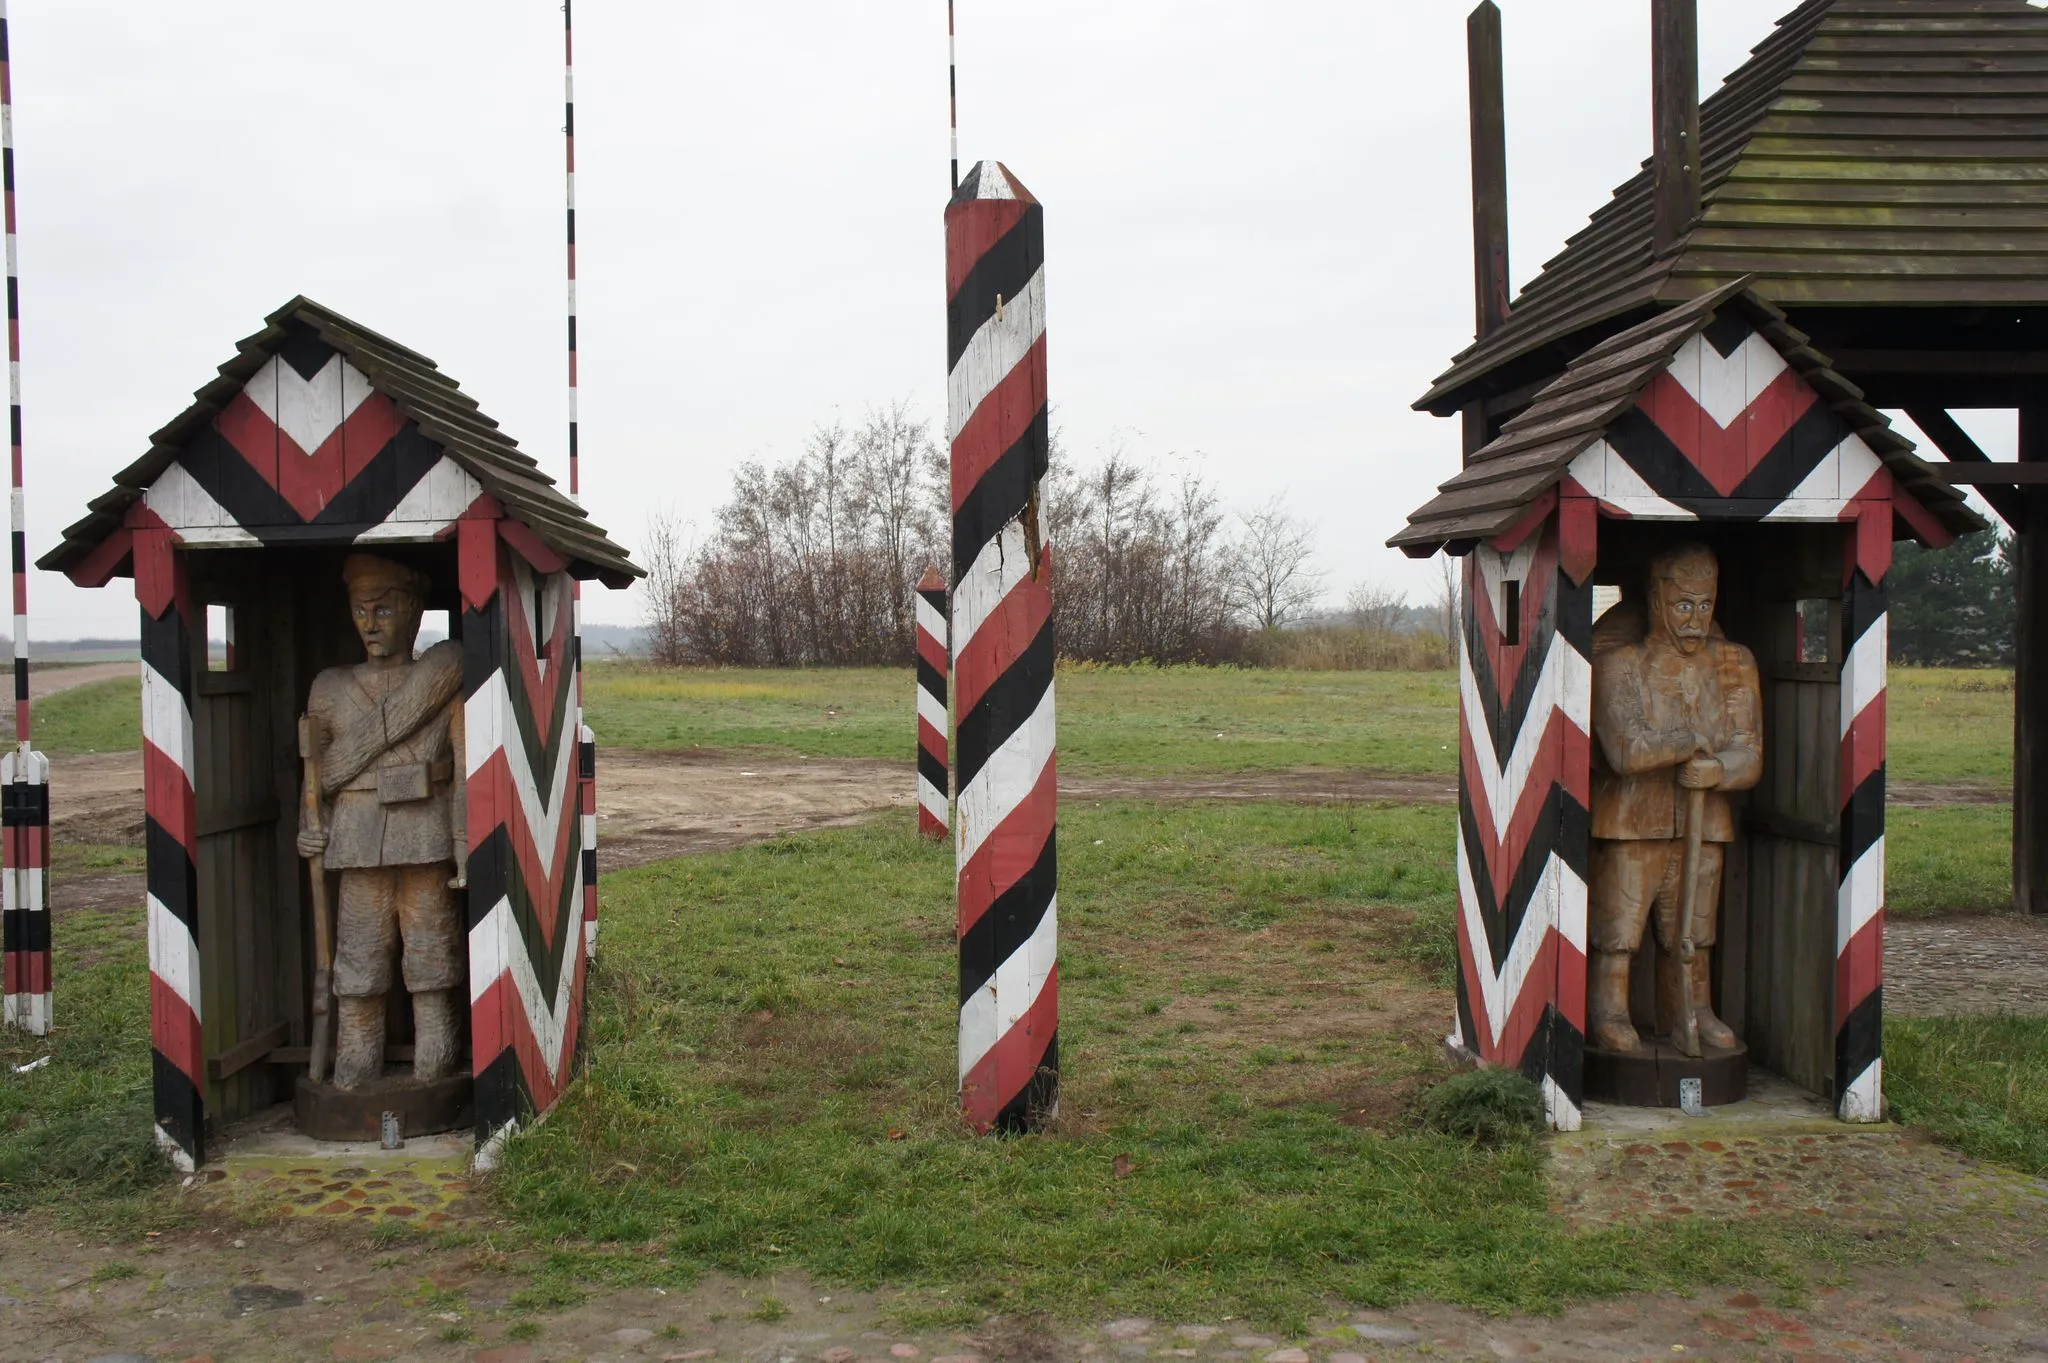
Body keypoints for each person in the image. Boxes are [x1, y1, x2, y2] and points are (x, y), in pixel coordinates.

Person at [298, 555, 467, 1089]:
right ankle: (354, 1064)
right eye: (360, 611)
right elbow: (312, 776)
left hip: (425, 837)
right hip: (354, 841)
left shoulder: (441, 678)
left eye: (384, 610)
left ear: (414, 612)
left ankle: (435, 1063)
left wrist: (462, 842)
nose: (370, 624)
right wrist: (309, 824)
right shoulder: (329, 688)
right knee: (358, 965)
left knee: (432, 959)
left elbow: (464, 771)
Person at [1588, 542, 1761, 1054]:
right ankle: (1610, 1011)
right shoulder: (1620, 664)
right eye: (1683, 605)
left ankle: (1691, 1009)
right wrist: (1687, 742)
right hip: (1631, 818)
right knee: (1619, 930)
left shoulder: (1734, 663)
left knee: (1694, 931)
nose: (1694, 619)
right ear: (1657, 600)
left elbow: (1750, 753)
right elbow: (1624, 749)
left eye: (1705, 604)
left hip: (1703, 818)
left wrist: (1716, 769)